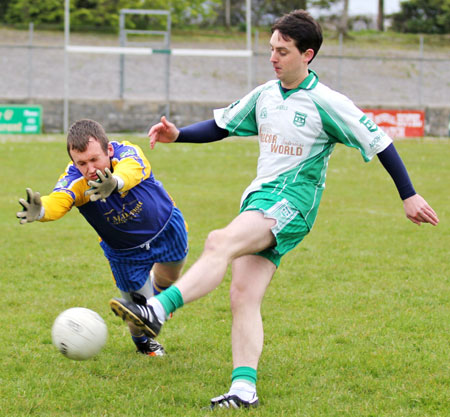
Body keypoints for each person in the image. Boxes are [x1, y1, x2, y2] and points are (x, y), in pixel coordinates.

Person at [109, 10, 439, 408]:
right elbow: (224, 124)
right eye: (271, 49)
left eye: (282, 51)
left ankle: (157, 309)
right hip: (261, 199)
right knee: (243, 294)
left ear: (308, 54)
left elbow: (380, 141)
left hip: (292, 204)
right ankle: (243, 390)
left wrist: (408, 194)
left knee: (219, 242)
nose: (273, 57)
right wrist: (178, 135)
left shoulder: (327, 102)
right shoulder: (266, 94)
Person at [17, 119, 188, 357]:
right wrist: (42, 210)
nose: (89, 169)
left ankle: (160, 295)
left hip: (166, 229)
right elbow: (59, 199)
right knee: (137, 309)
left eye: (94, 159)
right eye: (81, 163)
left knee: (170, 277)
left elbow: (132, 171)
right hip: (124, 253)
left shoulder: (127, 153)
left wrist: (114, 182)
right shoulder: (75, 180)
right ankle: (143, 343)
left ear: (108, 150)